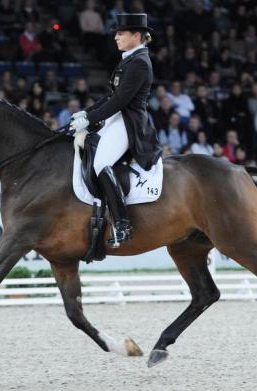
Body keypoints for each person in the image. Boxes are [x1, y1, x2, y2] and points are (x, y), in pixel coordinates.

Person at [69, 13, 162, 247]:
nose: (116, 37)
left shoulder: (140, 62)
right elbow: (111, 96)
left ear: (137, 35)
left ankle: (122, 224)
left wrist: (89, 119)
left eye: (121, 33)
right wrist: (86, 113)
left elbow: (119, 101)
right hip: (117, 118)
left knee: (101, 163)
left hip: (129, 123)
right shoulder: (129, 59)